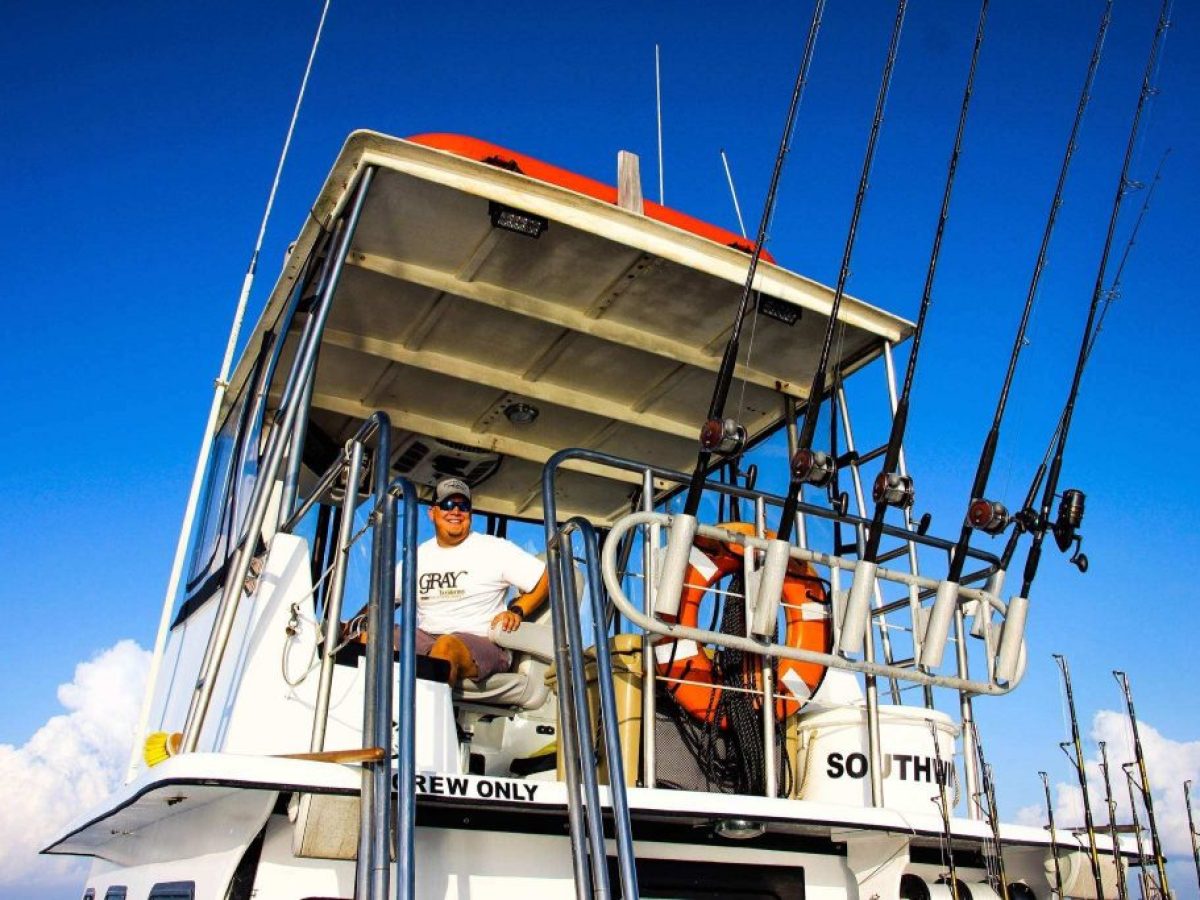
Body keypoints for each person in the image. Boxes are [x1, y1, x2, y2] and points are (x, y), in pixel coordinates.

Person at [412, 476, 548, 685]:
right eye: (448, 505)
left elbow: (546, 578)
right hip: (426, 638)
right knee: (369, 638)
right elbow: (385, 597)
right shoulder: (419, 555)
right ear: (433, 513)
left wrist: (517, 610)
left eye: (463, 506)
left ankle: (425, 717)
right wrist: (355, 624)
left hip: (481, 643)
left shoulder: (493, 548)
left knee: (446, 647)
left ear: (470, 514)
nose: (456, 512)